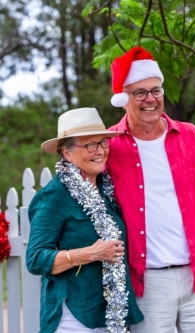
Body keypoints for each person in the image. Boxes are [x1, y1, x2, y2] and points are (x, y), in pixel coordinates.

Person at [105, 46, 195, 332]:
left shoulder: (192, 138)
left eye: (156, 90)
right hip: (146, 284)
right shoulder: (109, 146)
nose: (150, 99)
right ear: (123, 98)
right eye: (140, 92)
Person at [26, 108, 143, 333]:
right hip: (73, 317)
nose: (99, 151)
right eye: (89, 145)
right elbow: (35, 259)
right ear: (67, 153)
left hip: (109, 314)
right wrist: (92, 253)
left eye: (102, 142)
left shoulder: (106, 190)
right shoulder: (54, 196)